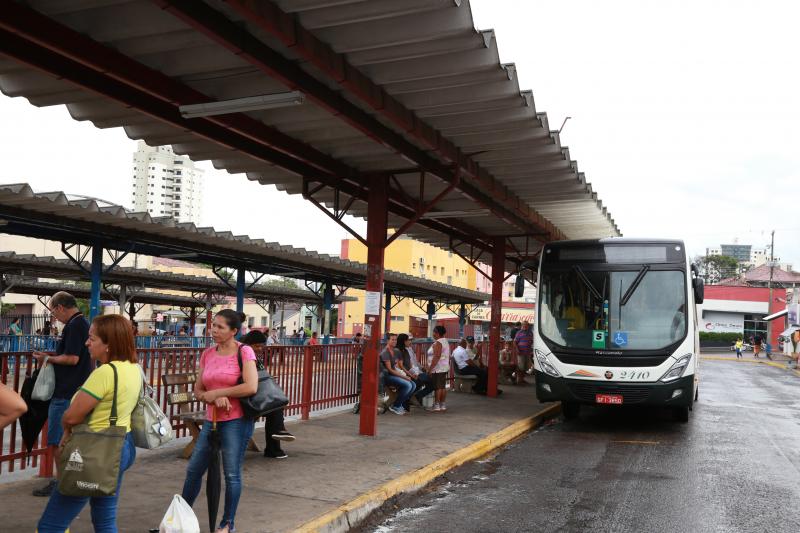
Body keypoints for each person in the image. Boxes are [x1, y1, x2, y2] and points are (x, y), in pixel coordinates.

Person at [36, 314, 140, 533]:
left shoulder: (104, 373)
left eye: (91, 338)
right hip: (120, 445)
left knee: (52, 524)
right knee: (105, 517)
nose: (86, 343)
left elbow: (72, 416)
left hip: (92, 451)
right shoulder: (133, 368)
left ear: (109, 344)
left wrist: (66, 429)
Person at [181, 310, 258, 533]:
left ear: (234, 331)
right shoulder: (208, 354)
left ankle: (227, 524)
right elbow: (198, 389)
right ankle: (181, 516)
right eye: (213, 325)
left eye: (220, 327)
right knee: (194, 471)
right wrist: (211, 396)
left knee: (231, 473)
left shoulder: (245, 351)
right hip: (211, 420)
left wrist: (222, 393)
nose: (214, 330)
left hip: (236, 421)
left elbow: (251, 386)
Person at [32, 292, 92, 497]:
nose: (54, 317)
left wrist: (48, 359)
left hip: (66, 390)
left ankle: (61, 484)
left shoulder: (75, 326)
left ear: (60, 307)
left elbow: (72, 358)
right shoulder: (82, 324)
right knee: (70, 440)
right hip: (76, 390)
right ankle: (69, 480)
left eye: (53, 312)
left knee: (58, 440)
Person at [239, 330, 295, 460]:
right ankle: (275, 443)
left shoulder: (253, 357)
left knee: (275, 406)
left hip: (254, 396)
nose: (260, 349)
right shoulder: (242, 356)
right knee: (275, 407)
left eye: (261, 346)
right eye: (257, 346)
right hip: (244, 399)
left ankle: (276, 440)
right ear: (248, 344)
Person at [380, 333, 416, 415]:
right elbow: (390, 369)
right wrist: (405, 377)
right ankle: (396, 406)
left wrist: (407, 375)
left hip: (394, 374)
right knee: (408, 385)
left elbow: (398, 366)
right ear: (387, 341)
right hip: (386, 376)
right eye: (392, 339)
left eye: (395, 339)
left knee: (413, 385)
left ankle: (398, 404)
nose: (394, 341)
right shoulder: (385, 352)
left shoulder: (396, 351)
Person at [396, 333, 433, 408]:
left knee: (431, 381)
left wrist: (420, 369)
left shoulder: (407, 350)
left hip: (412, 372)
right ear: (403, 341)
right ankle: (410, 399)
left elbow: (413, 364)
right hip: (403, 374)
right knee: (426, 379)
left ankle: (414, 397)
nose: (410, 342)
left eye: (411, 340)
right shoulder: (399, 351)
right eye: (408, 340)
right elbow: (401, 367)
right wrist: (413, 374)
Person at [427, 325, 451, 412]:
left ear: (437, 333)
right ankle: (442, 404)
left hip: (438, 368)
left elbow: (436, 356)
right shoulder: (445, 341)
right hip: (444, 367)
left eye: (434, 332)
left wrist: (430, 369)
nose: (433, 334)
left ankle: (436, 405)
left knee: (438, 387)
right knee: (442, 387)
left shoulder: (438, 343)